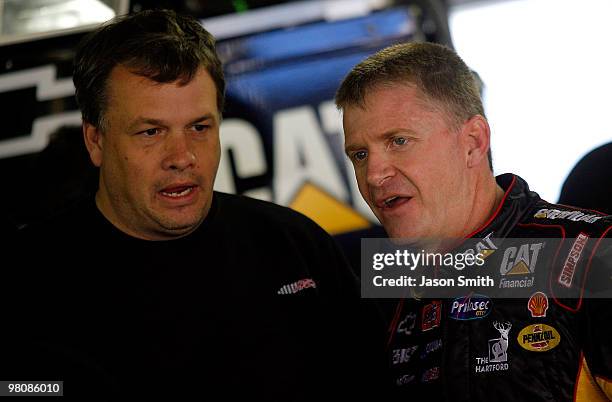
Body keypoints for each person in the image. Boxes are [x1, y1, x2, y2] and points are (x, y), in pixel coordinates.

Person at [2, 10, 386, 399]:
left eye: (199, 128)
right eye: (151, 131)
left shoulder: (294, 245)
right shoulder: (25, 280)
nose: (182, 156)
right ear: (95, 140)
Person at [335, 41, 612, 401]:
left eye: (399, 141)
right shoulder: (380, 289)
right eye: (359, 154)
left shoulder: (594, 255)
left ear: (473, 142)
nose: (373, 174)